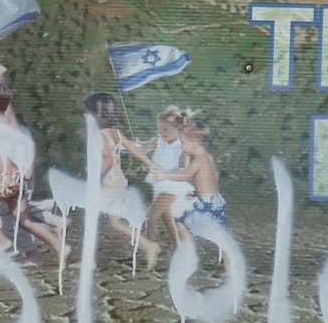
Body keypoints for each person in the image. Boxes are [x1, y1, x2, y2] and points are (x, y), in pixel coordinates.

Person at [0, 88, 65, 261]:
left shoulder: (0, 126)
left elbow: (28, 142)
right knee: (24, 219)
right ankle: (60, 247)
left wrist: (28, 167)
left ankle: (2, 241)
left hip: (7, 180)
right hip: (11, 179)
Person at [83, 91, 161, 268]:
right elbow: (135, 149)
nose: (85, 115)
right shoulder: (115, 133)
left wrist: (93, 175)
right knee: (115, 222)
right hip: (119, 182)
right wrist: (150, 164)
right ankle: (149, 245)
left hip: (107, 182)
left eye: (87, 112)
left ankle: (89, 261)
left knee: (91, 219)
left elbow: (108, 159)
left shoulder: (98, 135)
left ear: (96, 114)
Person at [151, 114, 227, 232]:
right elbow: (213, 177)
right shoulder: (207, 157)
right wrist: (198, 193)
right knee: (216, 233)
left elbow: (185, 175)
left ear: (194, 143)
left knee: (183, 226)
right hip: (216, 200)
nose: (181, 145)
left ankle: (188, 250)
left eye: (183, 142)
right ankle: (227, 249)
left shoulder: (198, 159)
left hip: (207, 203)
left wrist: (165, 175)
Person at [144, 106, 196, 247]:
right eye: (160, 129)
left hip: (173, 186)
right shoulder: (160, 139)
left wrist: (166, 175)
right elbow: (145, 146)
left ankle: (149, 249)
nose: (162, 132)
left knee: (152, 215)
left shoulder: (182, 147)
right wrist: (127, 147)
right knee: (165, 215)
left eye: (166, 129)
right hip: (160, 184)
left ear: (178, 128)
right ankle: (177, 246)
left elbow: (184, 171)